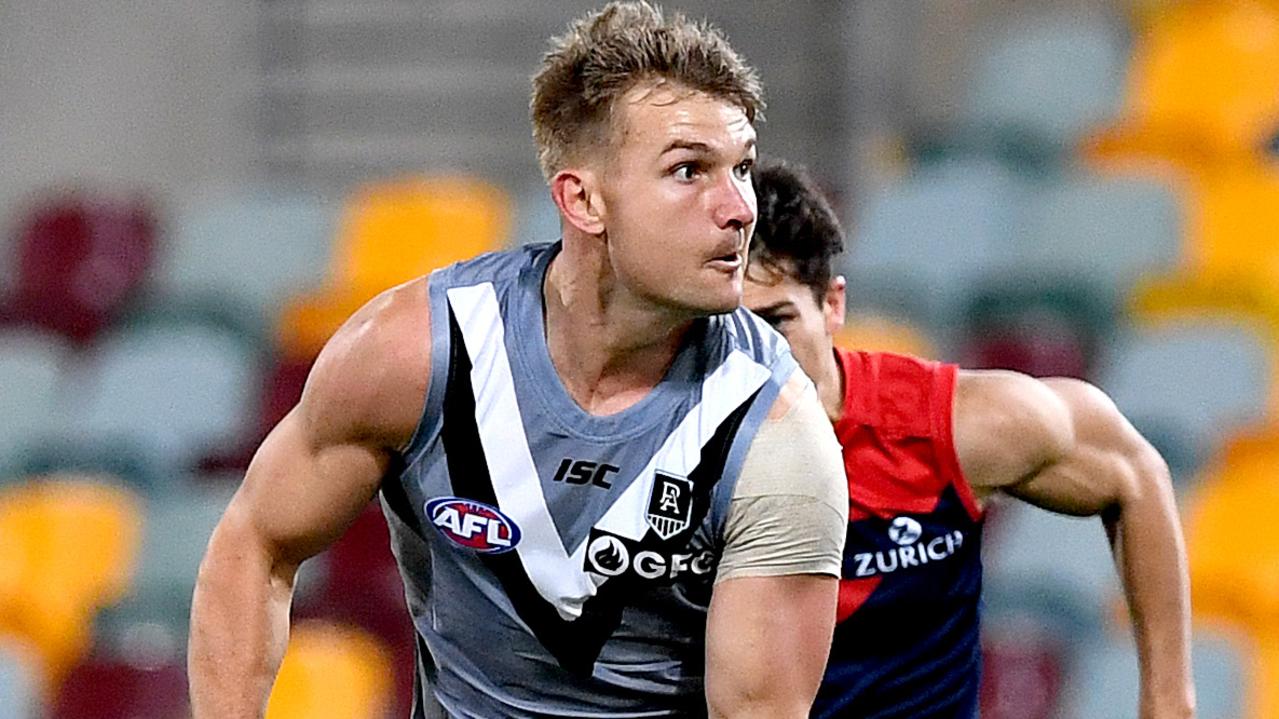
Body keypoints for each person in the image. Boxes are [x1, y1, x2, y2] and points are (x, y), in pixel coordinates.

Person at [189, 4, 849, 718]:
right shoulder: (414, 353)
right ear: (583, 199)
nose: (738, 208)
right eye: (689, 170)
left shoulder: (776, 435)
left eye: (742, 168)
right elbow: (254, 548)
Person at [742, 158, 1195, 719]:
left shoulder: (939, 424)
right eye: (730, 330)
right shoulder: (675, 446)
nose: (757, 355)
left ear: (833, 305)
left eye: (776, 321)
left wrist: (1168, 700)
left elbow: (1133, 474)